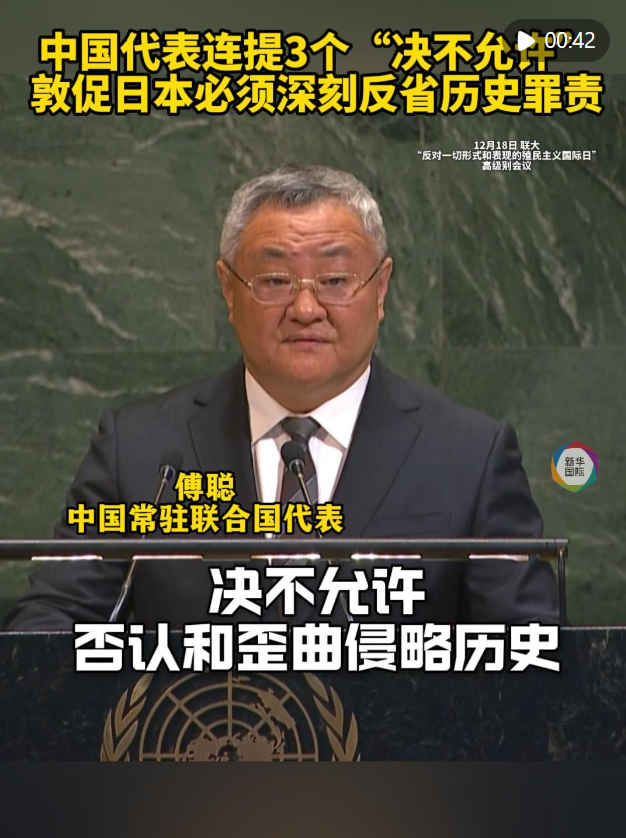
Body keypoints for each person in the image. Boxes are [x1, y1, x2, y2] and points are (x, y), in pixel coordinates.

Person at [4, 165, 558, 630]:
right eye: (274, 281)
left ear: (381, 288)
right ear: (228, 289)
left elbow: (533, 659)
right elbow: (50, 626)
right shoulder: (141, 451)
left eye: (335, 280)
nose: (306, 309)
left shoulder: (469, 456)